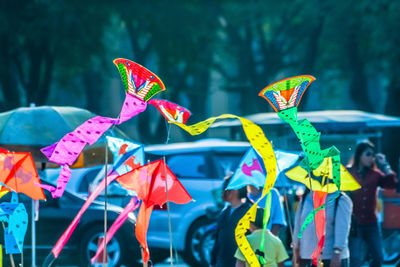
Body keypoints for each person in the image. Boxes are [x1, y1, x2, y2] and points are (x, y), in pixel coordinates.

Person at [347, 140, 398, 267]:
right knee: (355, 259)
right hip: (354, 223)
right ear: (359, 155)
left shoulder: (375, 174)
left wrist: (385, 164)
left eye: (373, 155)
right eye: (368, 154)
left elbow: (391, 184)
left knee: (378, 257)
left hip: (371, 223)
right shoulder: (349, 172)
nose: (371, 158)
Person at [292, 189, 353, 267]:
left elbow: (342, 229)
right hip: (306, 257)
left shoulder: (341, 199)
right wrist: (295, 250)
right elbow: (297, 226)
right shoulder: (306, 198)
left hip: (329, 258)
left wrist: (337, 254)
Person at [210, 176, 251, 267]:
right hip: (222, 263)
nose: (223, 192)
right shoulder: (224, 212)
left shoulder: (249, 212)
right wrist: (213, 261)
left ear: (236, 190)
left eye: (226, 189)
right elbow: (218, 240)